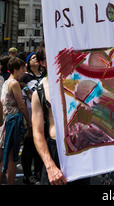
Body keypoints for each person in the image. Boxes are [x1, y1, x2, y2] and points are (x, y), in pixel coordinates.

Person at [31, 44, 90, 185]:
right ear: (42, 63)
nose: (57, 58)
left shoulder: (78, 82)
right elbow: (37, 132)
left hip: (80, 151)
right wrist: (50, 165)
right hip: (55, 152)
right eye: (50, 55)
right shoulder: (38, 92)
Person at [0, 57, 30, 185]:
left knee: (3, 157)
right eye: (22, 68)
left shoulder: (7, 82)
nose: (24, 70)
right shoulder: (14, 83)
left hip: (5, 122)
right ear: (16, 68)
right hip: (13, 123)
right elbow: (21, 105)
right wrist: (29, 120)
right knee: (12, 157)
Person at [19, 52, 44, 184]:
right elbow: (26, 93)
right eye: (33, 58)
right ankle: (28, 174)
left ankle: (38, 172)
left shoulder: (44, 75)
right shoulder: (25, 77)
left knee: (41, 145)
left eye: (37, 57)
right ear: (29, 63)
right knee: (29, 145)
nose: (36, 59)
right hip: (31, 114)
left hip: (44, 115)